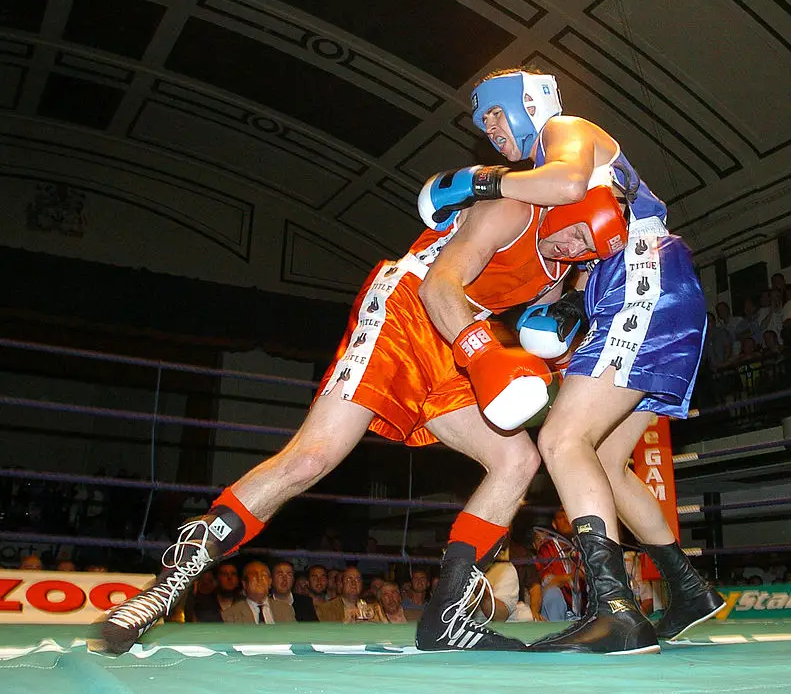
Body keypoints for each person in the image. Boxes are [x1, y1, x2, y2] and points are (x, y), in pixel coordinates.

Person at [101, 191, 573, 654]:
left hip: (461, 336)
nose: (573, 246)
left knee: (518, 459)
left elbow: (543, 332)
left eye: (585, 247)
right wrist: (485, 354)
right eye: (575, 231)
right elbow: (438, 286)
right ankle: (165, 586)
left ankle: (446, 617)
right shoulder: (513, 207)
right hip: (411, 306)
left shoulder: (564, 267)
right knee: (312, 458)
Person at [419, 66, 723, 654]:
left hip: (643, 277)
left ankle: (615, 611)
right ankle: (687, 588)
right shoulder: (542, 184)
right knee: (603, 462)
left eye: (496, 114)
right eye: (483, 124)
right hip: (636, 286)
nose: (491, 129)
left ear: (526, 102)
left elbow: (564, 183)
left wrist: (483, 182)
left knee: (559, 440)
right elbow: (573, 228)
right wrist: (556, 303)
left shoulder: (567, 128)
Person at [222, 560, 294, 624]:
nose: (259, 578)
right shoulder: (230, 615)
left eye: (263, 575)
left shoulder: (286, 610)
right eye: (254, 575)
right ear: (244, 584)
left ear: (270, 582)